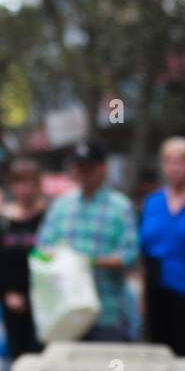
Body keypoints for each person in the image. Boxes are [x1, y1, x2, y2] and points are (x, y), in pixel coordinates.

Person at [36, 141, 139, 342]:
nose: (83, 172)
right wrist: (58, 259)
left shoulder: (121, 206)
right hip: (65, 315)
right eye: (78, 167)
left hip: (107, 313)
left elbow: (130, 255)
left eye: (89, 167)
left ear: (103, 168)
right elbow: (40, 250)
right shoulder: (60, 206)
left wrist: (88, 261)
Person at [138, 137, 185, 356]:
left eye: (181, 161)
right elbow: (142, 250)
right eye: (169, 161)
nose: (175, 168)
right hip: (156, 292)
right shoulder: (152, 202)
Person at [0, 156, 48, 360]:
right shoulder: (3, 220)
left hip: (43, 299)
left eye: (30, 182)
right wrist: (7, 294)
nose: (25, 189)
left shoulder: (48, 217)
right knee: (20, 357)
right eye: (19, 182)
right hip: (13, 300)